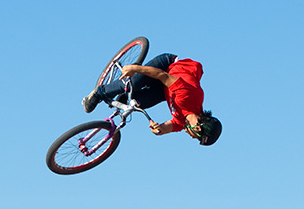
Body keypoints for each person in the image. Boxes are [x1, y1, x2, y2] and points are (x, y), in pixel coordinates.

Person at [82, 53, 222, 146]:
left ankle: (119, 92)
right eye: (196, 137)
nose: (192, 138)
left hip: (165, 90)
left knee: (136, 103)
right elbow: (162, 76)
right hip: (167, 67)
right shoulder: (189, 96)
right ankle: (98, 93)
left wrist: (159, 130)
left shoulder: (183, 122)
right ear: (198, 128)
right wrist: (135, 68)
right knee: (132, 84)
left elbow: (170, 126)